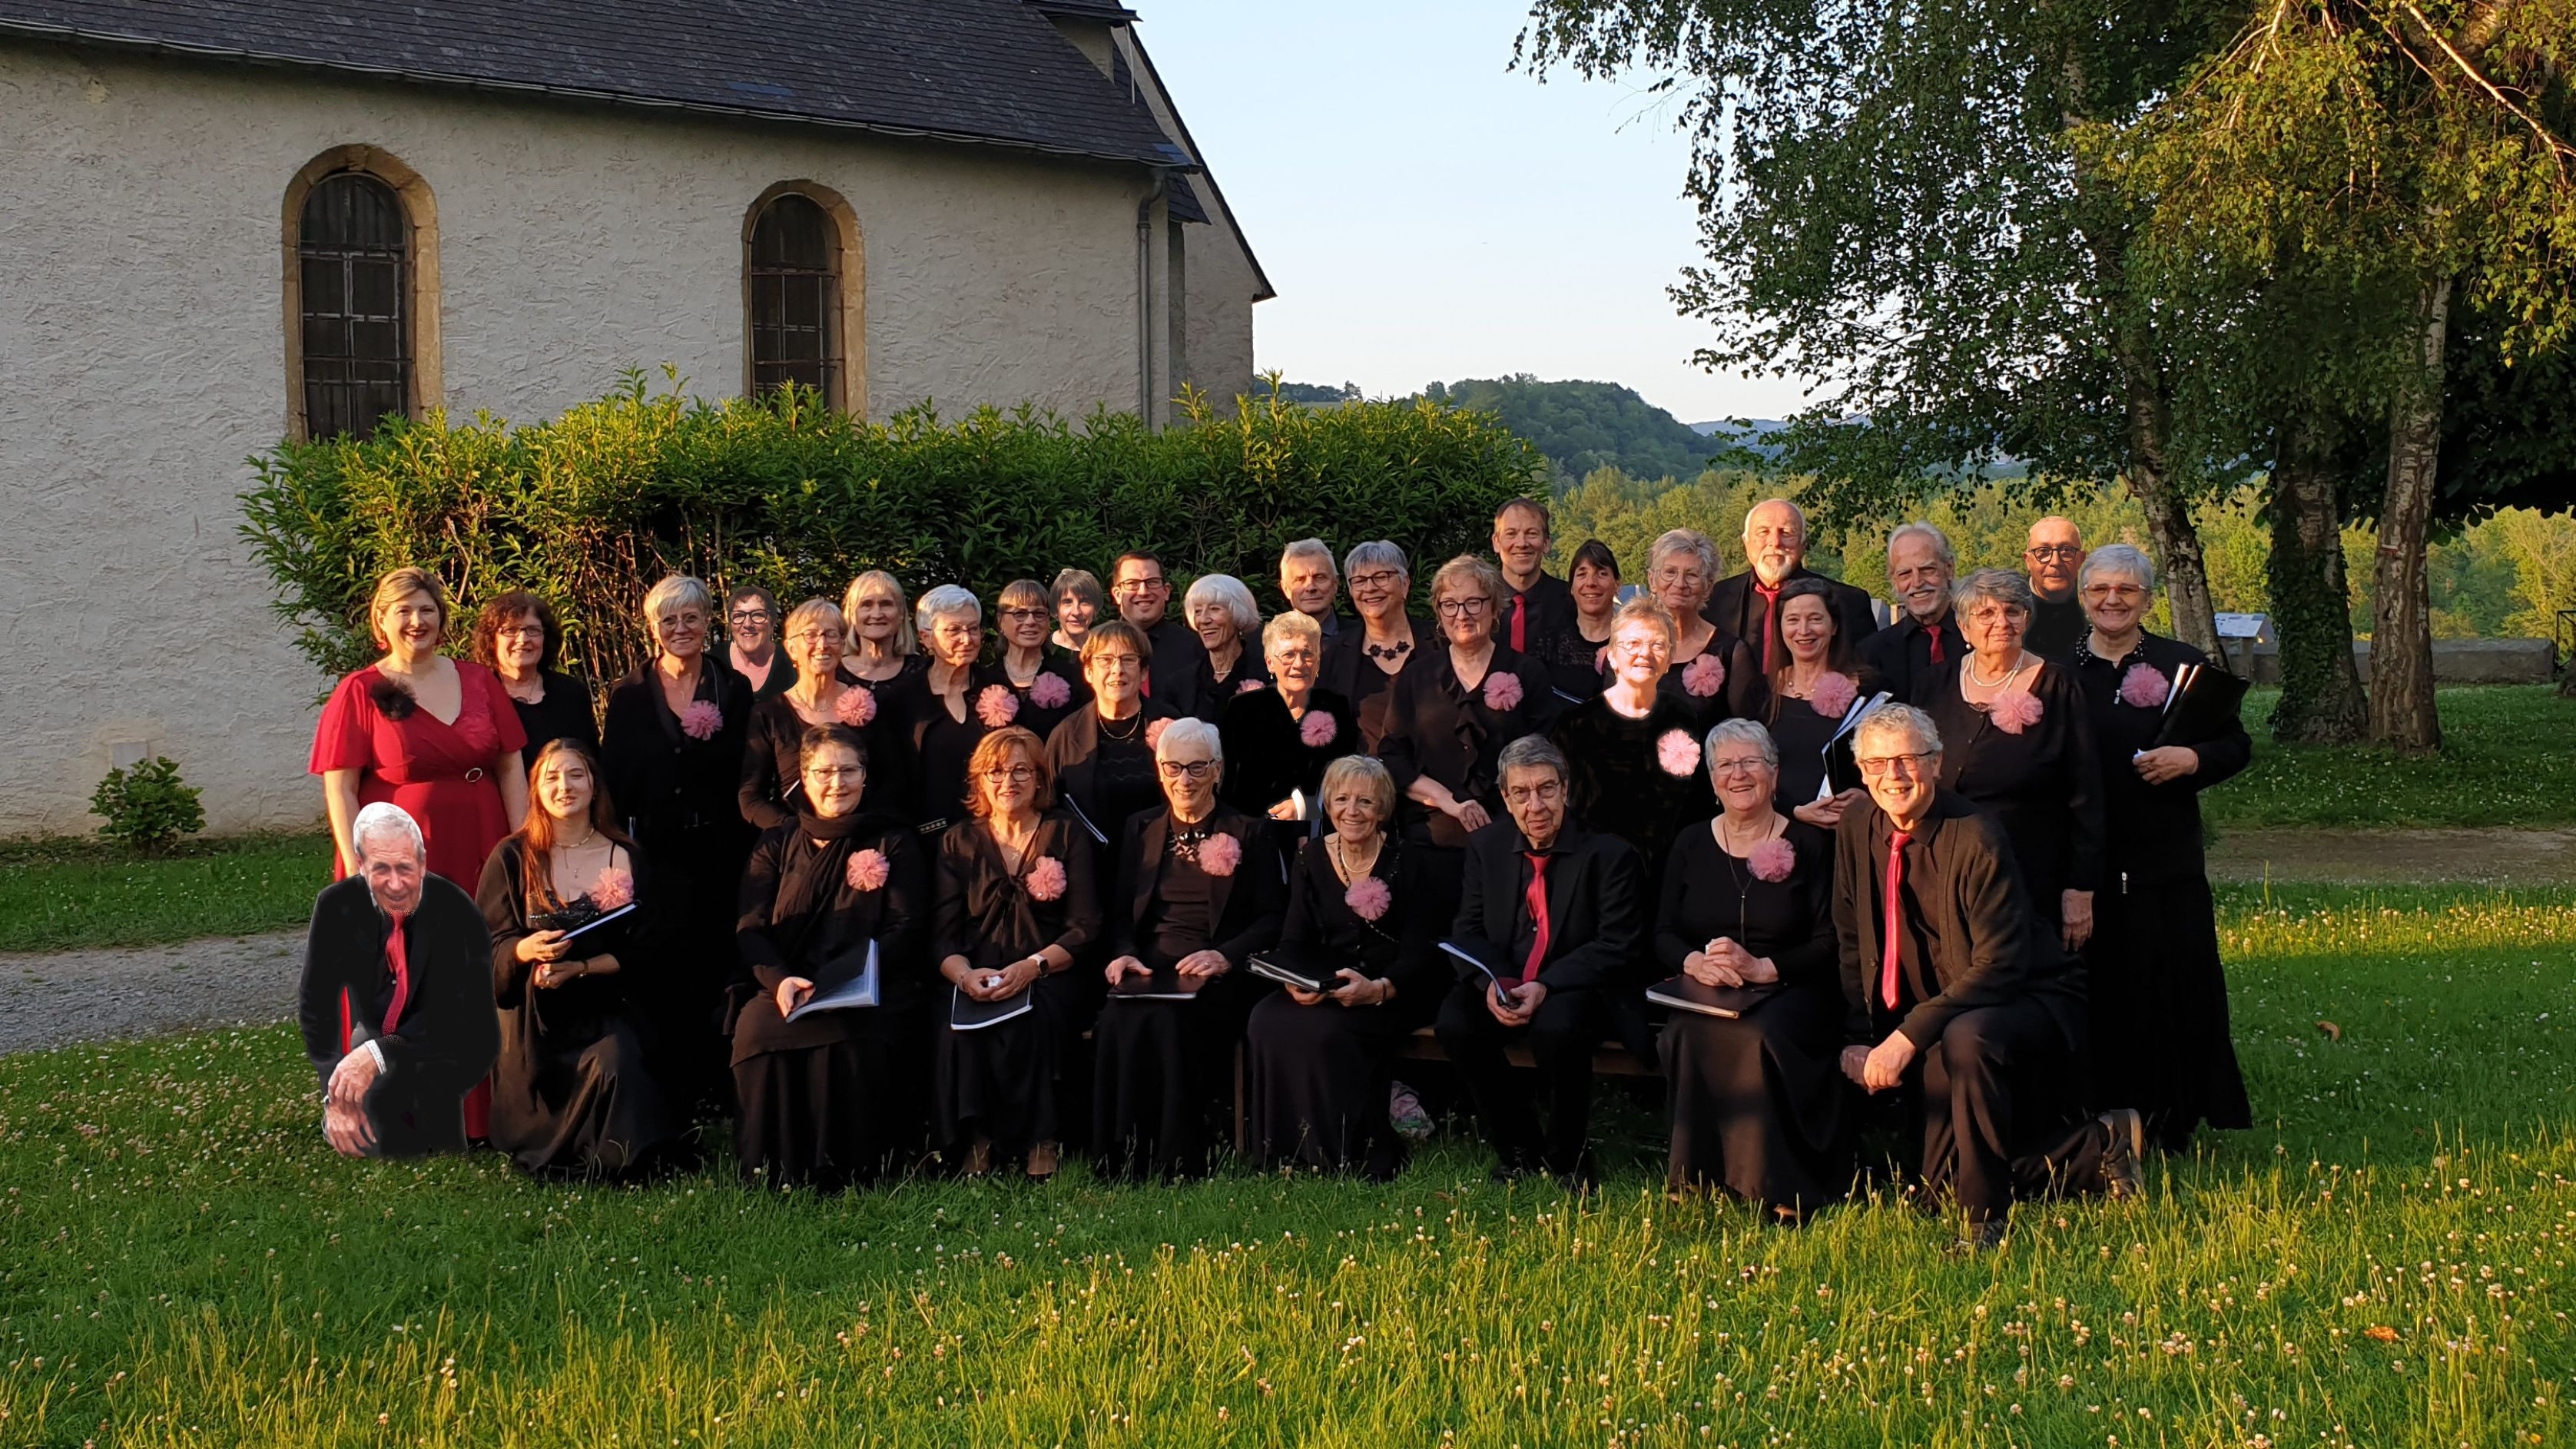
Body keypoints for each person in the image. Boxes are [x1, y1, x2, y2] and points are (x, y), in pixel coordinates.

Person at [1832, 705, 2141, 1250]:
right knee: (1936, 1188)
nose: (1893, 776)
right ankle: (2096, 1148)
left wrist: (1906, 1037)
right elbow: (1851, 937)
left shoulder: (1976, 835)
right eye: (1877, 763)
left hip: (2025, 993)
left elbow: (1999, 965)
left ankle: (1984, 1221)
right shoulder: (1856, 826)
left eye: (1907, 760)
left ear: (1936, 763)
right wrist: (1860, 1035)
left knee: (1966, 1037)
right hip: (1944, 1005)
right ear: (1861, 771)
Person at [2067, 544, 2253, 1151]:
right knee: (2100, 988)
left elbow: (2235, 745)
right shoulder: (2056, 671)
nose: (2112, 600)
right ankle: (2096, 1114)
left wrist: (2191, 759)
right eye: (2100, 589)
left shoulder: (2181, 664)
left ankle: (2172, 1116)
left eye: (2125, 589)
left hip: (2163, 857)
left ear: (2147, 599)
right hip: (2084, 859)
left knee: (2170, 985)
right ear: (2083, 596)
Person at [1656, 721, 1847, 1215]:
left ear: (1775, 774)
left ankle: (1779, 1183)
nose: (1738, 774)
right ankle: (1695, 1175)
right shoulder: (1690, 843)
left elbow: (1831, 940)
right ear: (1712, 780)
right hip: (1710, 986)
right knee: (1685, 1031)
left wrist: (1765, 967)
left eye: (1750, 762)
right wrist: (1695, 962)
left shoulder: (1811, 844)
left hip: (1793, 984)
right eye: (1725, 765)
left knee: (1758, 1034)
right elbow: (1663, 934)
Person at [1434, 735, 1643, 1184]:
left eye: (1547, 789)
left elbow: (1616, 945)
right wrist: (1493, 983)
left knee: (1557, 1028)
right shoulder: (1486, 847)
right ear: (1506, 798)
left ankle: (1568, 1158)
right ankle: (1518, 1150)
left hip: (1574, 984)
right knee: (1456, 1023)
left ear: (1565, 789)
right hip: (1504, 978)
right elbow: (1467, 929)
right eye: (1522, 792)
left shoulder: (1609, 854)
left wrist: (1545, 985)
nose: (1536, 805)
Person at [730, 724, 928, 1189]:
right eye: (824, 772)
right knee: (756, 1029)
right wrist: (780, 980)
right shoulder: (776, 842)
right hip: (787, 985)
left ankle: (848, 1167)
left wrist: (848, 979)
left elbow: (905, 925)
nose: (837, 783)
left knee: (850, 1033)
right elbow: (751, 926)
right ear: (803, 777)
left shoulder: (893, 840)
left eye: (848, 771)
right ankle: (772, 1167)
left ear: (865, 776)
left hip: (865, 985)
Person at [1092, 718, 1286, 1181]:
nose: (1185, 780)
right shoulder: (1139, 828)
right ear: (1160, 770)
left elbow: (1272, 919)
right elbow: (1119, 914)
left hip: (1217, 974)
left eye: (1197, 767)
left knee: (1170, 1020)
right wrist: (1123, 953)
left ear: (1217, 770)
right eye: (1174, 767)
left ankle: (1177, 1158)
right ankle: (1121, 1157)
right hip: (1149, 968)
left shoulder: (1250, 831)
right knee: (1116, 1017)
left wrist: (1226, 956)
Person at [475, 740, 678, 1179]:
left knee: (618, 1060)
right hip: (534, 1016)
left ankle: (618, 1153)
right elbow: (484, 946)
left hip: (606, 1004)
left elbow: (650, 949)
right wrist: (526, 951)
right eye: (551, 777)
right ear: (536, 790)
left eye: (575, 775)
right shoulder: (511, 856)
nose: (564, 787)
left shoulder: (625, 855)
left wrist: (582, 968)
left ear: (594, 785)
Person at [1245, 756, 1442, 1179]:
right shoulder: (1310, 857)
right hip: (1328, 981)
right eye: (1341, 800)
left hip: (1395, 987)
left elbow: (1422, 952)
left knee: (1328, 1031)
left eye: (1365, 802)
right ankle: (1284, 1151)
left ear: (1382, 809)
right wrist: (1294, 982)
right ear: (1329, 806)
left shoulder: (1411, 861)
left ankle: (1340, 1152)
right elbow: (1293, 941)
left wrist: (1379, 989)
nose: (1352, 811)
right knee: (1265, 1018)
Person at [601, 573, 755, 1104]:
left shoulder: (733, 689)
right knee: (666, 962)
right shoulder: (627, 695)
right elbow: (615, 779)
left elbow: (746, 770)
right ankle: (673, 1086)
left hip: (722, 850)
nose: (680, 628)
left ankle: (720, 1082)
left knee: (719, 957)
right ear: (652, 628)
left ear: (708, 622)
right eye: (669, 619)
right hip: (658, 854)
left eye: (691, 617)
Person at [931, 728, 1102, 1181]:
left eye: (1021, 770)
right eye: (996, 772)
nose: (1008, 781)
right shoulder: (957, 841)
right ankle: (979, 1139)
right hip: (976, 972)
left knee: (1038, 1017)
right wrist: (965, 976)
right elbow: (943, 938)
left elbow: (1084, 928)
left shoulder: (1065, 833)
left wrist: (1033, 967)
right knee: (958, 1026)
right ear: (980, 781)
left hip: (1049, 970)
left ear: (1040, 778)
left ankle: (1042, 1139)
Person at [1911, 569, 2104, 952]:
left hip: (2033, 874)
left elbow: (2087, 794)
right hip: (1945, 870)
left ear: (2027, 619)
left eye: (2013, 611)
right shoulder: (1932, 685)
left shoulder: (2059, 686)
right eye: (1986, 613)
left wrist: (2080, 887)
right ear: (1963, 627)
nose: (2002, 622)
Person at [297, 802, 499, 1158]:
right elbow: (317, 1007)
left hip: (453, 1040)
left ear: (422, 863)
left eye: (405, 868)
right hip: (378, 1034)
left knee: (403, 1113)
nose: (395, 884)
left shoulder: (455, 908)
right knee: (371, 1117)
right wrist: (334, 1094)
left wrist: (376, 1054)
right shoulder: (335, 906)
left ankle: (434, 1133)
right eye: (381, 869)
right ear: (361, 865)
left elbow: (450, 1014)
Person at [313, 567, 529, 887]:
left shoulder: (480, 680)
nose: (417, 621)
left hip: (484, 837)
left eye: (427, 610)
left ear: (441, 617)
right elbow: (341, 789)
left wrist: (522, 845)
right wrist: (355, 867)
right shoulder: (358, 691)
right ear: (382, 620)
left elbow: (511, 768)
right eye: (404, 611)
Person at [1380, 555, 1561, 850]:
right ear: (1439, 613)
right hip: (1430, 838)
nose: (1462, 615)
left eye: (1473, 602)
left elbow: (1546, 752)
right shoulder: (1416, 676)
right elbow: (1393, 755)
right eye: (1450, 604)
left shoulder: (1528, 672)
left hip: (1511, 834)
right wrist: (1446, 801)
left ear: (1494, 608)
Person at [1549, 598, 1713, 907]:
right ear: (1612, 655)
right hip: (1598, 880)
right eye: (1633, 643)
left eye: (1657, 645)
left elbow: (1696, 800)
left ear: (1670, 659)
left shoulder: (1682, 716)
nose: (1644, 654)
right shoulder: (1575, 726)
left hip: (1668, 877)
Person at [740, 598, 908, 829]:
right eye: (810, 635)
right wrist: (797, 833)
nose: (822, 644)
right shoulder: (768, 714)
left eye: (831, 635)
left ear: (842, 644)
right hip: (795, 839)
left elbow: (894, 782)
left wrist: (861, 828)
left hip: (861, 836)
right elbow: (751, 797)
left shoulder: (871, 705)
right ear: (791, 648)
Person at [1218, 611, 1357, 852]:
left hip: (1320, 834)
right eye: (1288, 655)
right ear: (1270, 663)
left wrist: (1306, 809)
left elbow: (1345, 782)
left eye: (1307, 654)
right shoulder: (1242, 709)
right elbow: (1231, 784)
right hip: (1256, 834)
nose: (1299, 664)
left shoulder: (1336, 707)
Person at [1044, 621, 1174, 875]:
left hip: (1161, 869)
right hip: (1090, 871)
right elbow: (1049, 808)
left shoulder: (1173, 726)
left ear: (1144, 672)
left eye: (1128, 660)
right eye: (1105, 660)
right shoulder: (1066, 735)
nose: (1117, 670)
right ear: (1089, 672)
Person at [1762, 578, 1883, 831]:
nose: (1803, 630)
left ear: (1834, 626)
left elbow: (1890, 762)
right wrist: (1793, 811)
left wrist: (1870, 799)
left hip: (1850, 830)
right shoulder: (1763, 691)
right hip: (1783, 830)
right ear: (1780, 627)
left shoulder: (1869, 689)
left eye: (1815, 619)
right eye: (1792, 620)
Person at [886, 585, 1010, 832]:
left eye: (973, 629)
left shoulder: (1000, 688)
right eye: (954, 630)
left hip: (994, 832)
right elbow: (891, 781)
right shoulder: (902, 700)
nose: (967, 639)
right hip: (926, 836)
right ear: (926, 638)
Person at [1706, 499, 1878, 670]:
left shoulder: (1848, 602)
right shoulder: (1714, 599)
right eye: (1763, 532)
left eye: (1787, 533)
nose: (1775, 542)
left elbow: (1866, 675)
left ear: (1803, 544)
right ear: (1746, 542)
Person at [1318, 540, 1431, 754]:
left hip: (1435, 771)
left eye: (1381, 577)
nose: (1369, 588)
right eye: (1359, 581)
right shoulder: (1333, 654)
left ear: (1405, 584)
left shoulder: (1441, 643)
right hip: (1364, 772)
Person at [1644, 529, 1766, 724]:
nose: (1680, 583)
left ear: (1708, 587)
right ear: (1652, 580)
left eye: (1692, 575)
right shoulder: (1627, 646)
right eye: (1670, 572)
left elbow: (1747, 731)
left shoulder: (1731, 654)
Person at [473, 590, 598, 763]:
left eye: (533, 630)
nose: (523, 639)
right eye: (510, 630)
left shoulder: (572, 693)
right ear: (491, 639)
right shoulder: (477, 696)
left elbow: (591, 762)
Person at [1858, 522, 1967, 702]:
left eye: (1927, 570)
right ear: (1895, 581)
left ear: (1949, 569)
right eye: (1905, 574)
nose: (1917, 582)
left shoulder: (1982, 640)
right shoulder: (1872, 653)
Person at [992, 579, 1092, 741]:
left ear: (1048, 622)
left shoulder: (1074, 678)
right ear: (1001, 621)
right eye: (1020, 614)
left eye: (1039, 614)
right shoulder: (983, 680)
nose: (1030, 621)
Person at [1109, 550, 1205, 715]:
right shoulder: (1095, 646)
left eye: (1152, 582)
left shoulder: (1194, 647)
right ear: (1117, 595)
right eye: (1132, 584)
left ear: (1166, 591)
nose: (1143, 592)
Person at [1535, 539, 1622, 702]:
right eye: (1582, 575)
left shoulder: (1635, 644)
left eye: (1602, 574)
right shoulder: (1549, 643)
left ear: (1618, 584)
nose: (1591, 583)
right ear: (1571, 588)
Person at [1491, 496, 1575, 656]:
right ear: (1496, 542)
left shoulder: (1572, 603)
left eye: (1532, 534)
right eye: (1511, 534)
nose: (1522, 543)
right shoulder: (1478, 604)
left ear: (1546, 543)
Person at [1180, 573, 1270, 719]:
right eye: (1198, 611)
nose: (1203, 620)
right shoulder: (1182, 684)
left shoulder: (1270, 677)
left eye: (1214, 609)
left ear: (1238, 613)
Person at [840, 570, 924, 688]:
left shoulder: (922, 672)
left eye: (886, 604)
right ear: (852, 614)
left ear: (901, 613)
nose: (877, 615)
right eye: (866, 605)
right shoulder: (833, 673)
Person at [2021, 516, 2089, 660]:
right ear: (2028, 561)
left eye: (2066, 551)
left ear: (2081, 559)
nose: (2056, 562)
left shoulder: (2097, 610)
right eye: (2043, 552)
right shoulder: (2009, 614)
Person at [725, 585, 791, 702]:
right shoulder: (713, 665)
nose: (747, 624)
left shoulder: (792, 665)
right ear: (731, 624)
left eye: (757, 615)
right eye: (739, 615)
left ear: (773, 622)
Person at [1278, 537, 1344, 638]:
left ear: (1335, 584)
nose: (1310, 587)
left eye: (1320, 577)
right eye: (1300, 579)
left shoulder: (1363, 638)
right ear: (1286, 589)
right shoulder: (1264, 643)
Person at [1050, 568, 1106, 654]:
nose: (1076, 612)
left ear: (1095, 609)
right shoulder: (1042, 648)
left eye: (1084, 602)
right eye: (1067, 602)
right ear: (1055, 610)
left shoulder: (1107, 651)